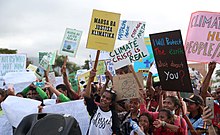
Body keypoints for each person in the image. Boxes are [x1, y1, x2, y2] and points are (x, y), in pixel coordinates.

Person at [84, 69, 120, 135]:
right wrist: (90, 79)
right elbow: (87, 96)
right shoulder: (94, 109)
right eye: (103, 97)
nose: (104, 99)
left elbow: (116, 131)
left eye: (108, 99)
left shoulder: (113, 115)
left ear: (111, 102)